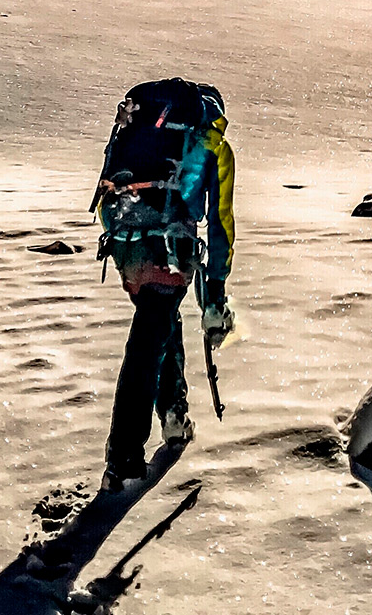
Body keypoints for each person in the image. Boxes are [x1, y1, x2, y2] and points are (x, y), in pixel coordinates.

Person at [91, 78, 237, 493]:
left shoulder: (138, 133)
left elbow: (108, 191)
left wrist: (125, 246)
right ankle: (123, 456)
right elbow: (221, 222)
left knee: (157, 323)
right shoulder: (211, 144)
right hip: (170, 247)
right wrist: (217, 293)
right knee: (148, 340)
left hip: (125, 242)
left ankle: (174, 416)